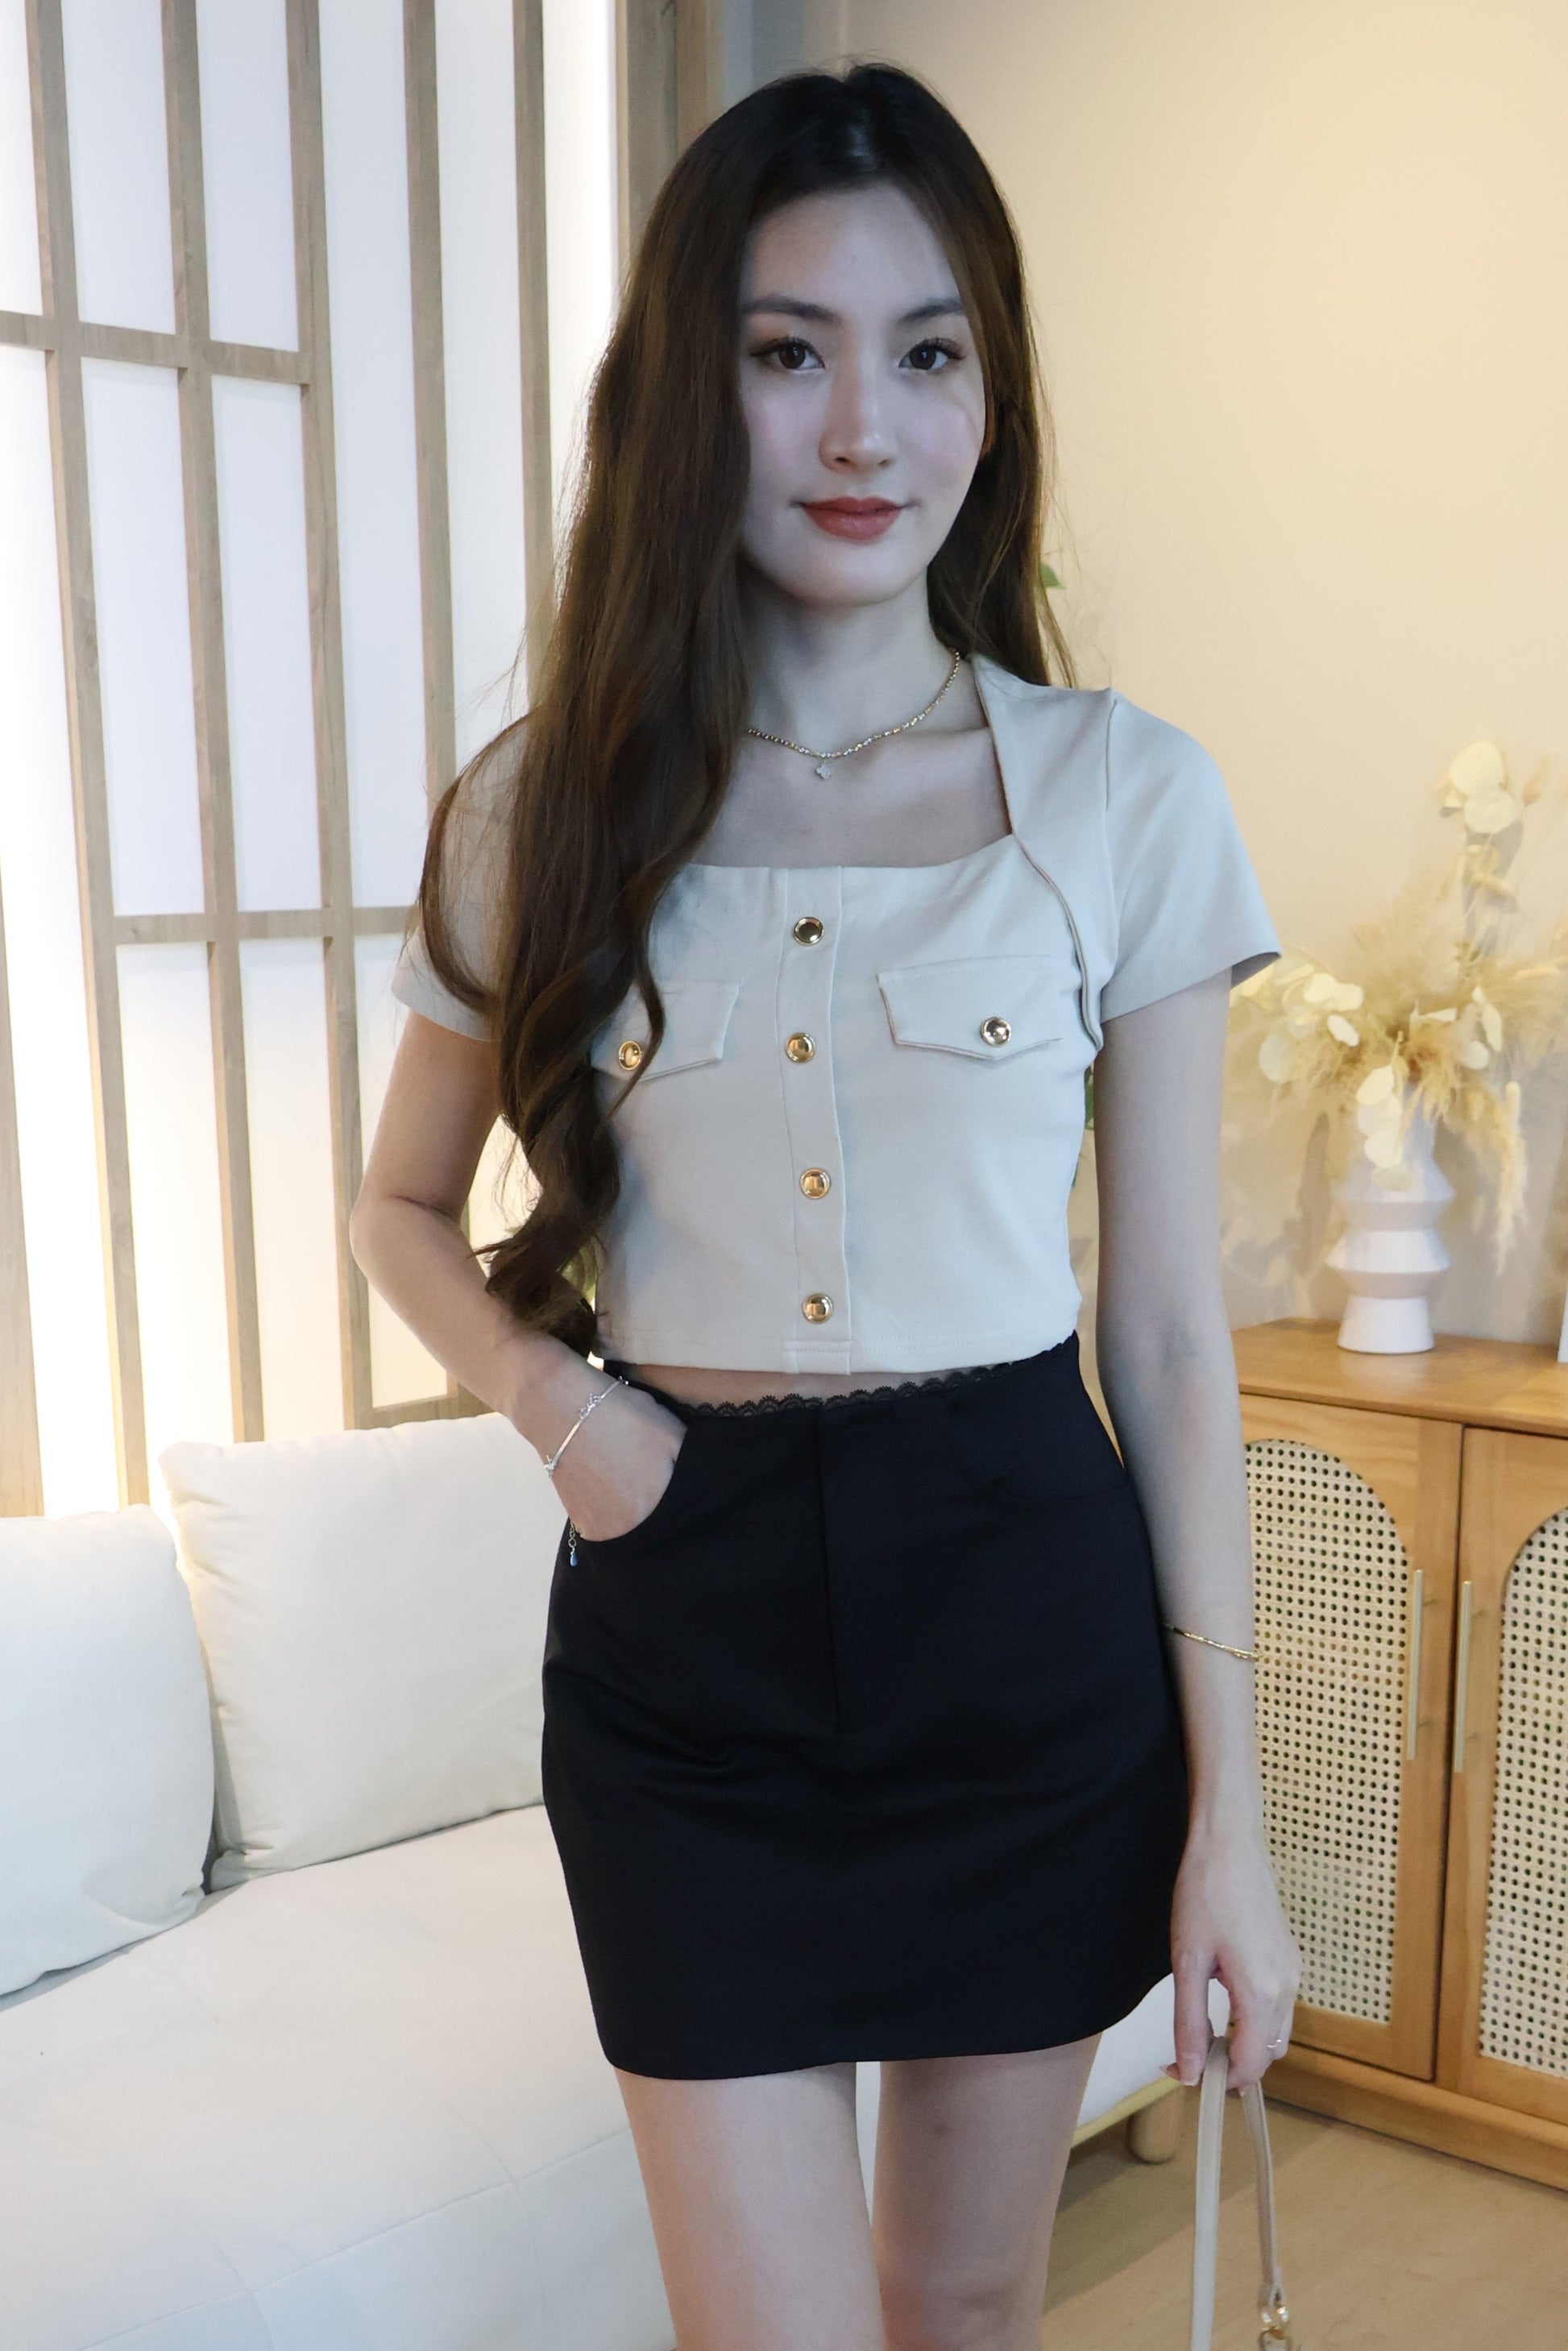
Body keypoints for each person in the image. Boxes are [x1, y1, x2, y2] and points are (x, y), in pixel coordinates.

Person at [350, 60, 1302, 2351]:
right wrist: (567, 1418)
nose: (866, 426)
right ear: (692, 390)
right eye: (791, 352)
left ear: (992, 390)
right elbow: (396, 1208)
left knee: (962, 2311)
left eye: (928, 350)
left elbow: (1168, 1335)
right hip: (685, 1650)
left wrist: (1235, 1815)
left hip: (1023, 1621)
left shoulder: (1125, 795)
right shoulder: (540, 811)